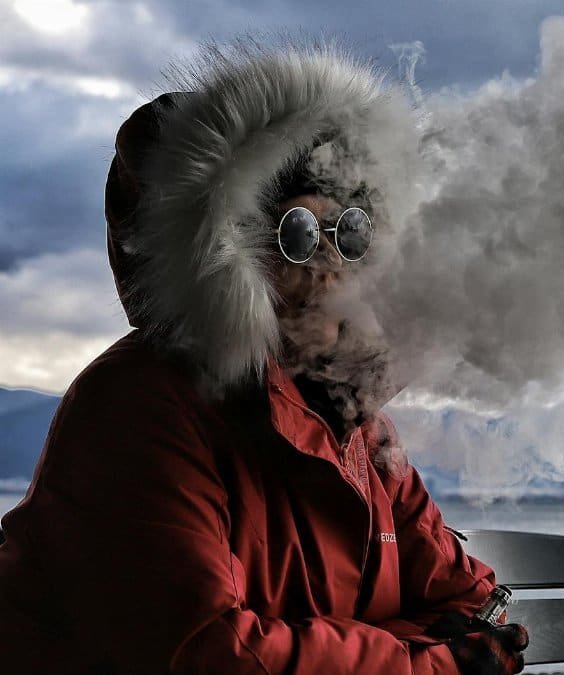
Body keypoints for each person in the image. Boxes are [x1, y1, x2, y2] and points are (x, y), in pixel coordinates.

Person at [0, 42, 529, 674]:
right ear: (224, 261)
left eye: (354, 232)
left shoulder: (357, 428)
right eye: (300, 236)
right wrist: (430, 663)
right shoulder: (141, 406)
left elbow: (479, 608)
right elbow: (211, 655)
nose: (335, 265)